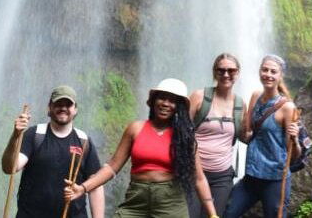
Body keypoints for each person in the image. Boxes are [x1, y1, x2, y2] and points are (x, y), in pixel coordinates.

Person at [65, 78, 219, 218]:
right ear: (153, 101)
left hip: (170, 202)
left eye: (172, 101)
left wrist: (212, 215)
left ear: (178, 107)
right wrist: (83, 188)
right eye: (162, 98)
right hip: (136, 199)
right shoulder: (135, 128)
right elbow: (112, 167)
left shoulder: (185, 137)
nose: (165, 103)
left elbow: (199, 179)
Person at [1, 85, 105, 218]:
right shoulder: (35, 135)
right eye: (58, 103)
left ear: (75, 110)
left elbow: (95, 186)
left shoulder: (84, 141)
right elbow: (10, 167)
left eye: (68, 104)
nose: (63, 108)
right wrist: (15, 136)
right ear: (49, 108)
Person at [223, 55, 298, 218]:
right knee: (227, 212)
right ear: (259, 71)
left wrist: (295, 139)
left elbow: (292, 154)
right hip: (251, 176)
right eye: (265, 70)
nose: (268, 74)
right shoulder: (256, 96)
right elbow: (248, 134)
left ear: (280, 76)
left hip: (275, 180)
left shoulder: (287, 107)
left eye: (273, 71)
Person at [187, 54, 246, 218]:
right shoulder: (199, 97)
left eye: (231, 70)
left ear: (238, 73)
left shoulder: (240, 105)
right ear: (215, 72)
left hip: (222, 177)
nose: (226, 74)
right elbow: (182, 131)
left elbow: (245, 135)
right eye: (221, 70)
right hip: (193, 173)